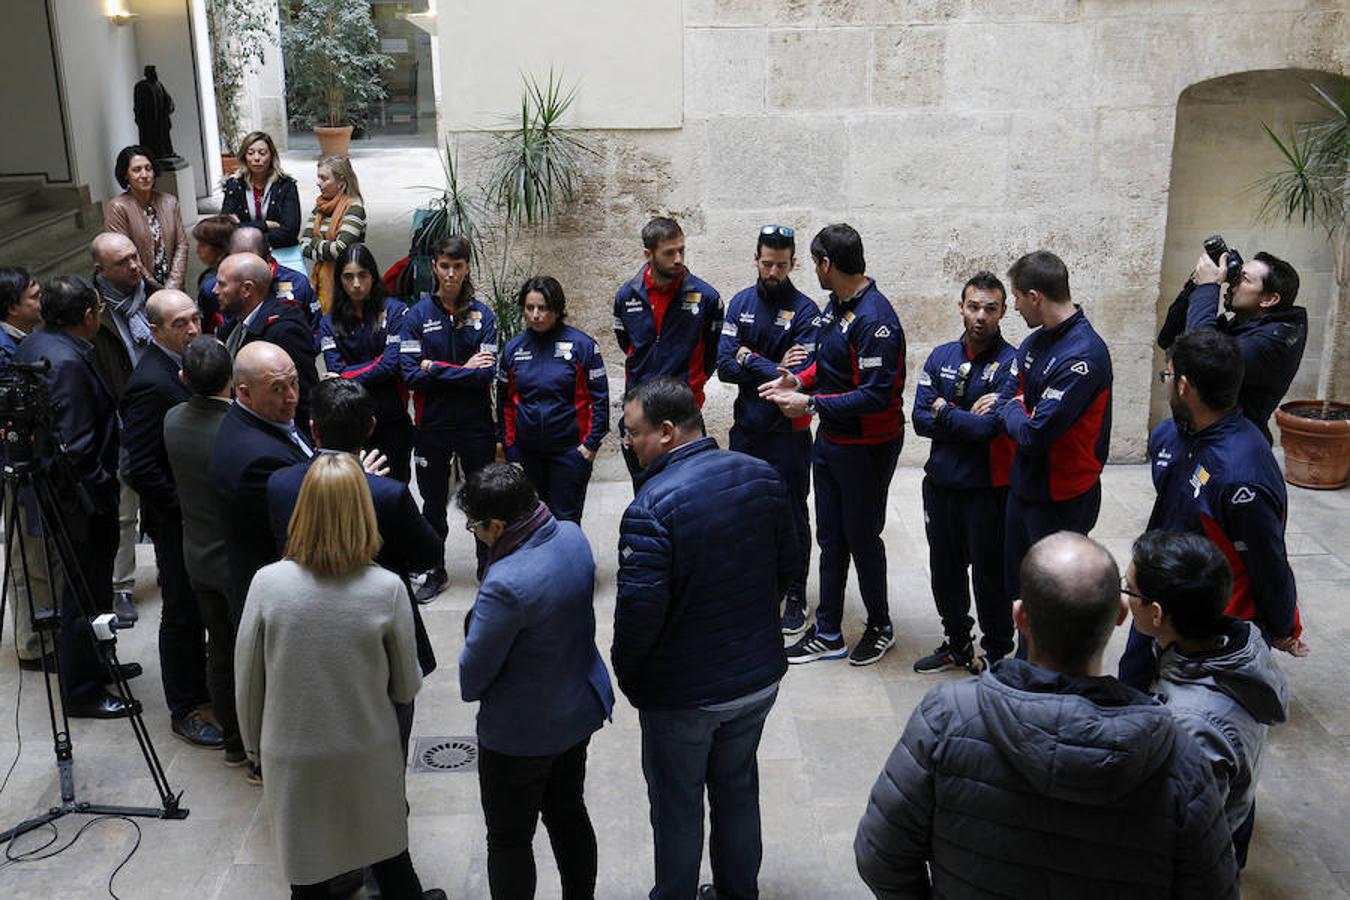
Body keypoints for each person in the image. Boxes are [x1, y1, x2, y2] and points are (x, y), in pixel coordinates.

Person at [853, 531, 1240, 899]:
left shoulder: (945, 719)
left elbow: (879, 853)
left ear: (1019, 616)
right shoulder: (1180, 758)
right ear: (1121, 614)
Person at [234, 453, 445, 900]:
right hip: (367, 752)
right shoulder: (385, 588)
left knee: (307, 881)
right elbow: (406, 686)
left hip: (292, 756)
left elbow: (248, 683)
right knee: (391, 864)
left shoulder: (267, 584)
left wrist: (255, 748)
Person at [614, 377, 790, 900]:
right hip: (757, 679)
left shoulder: (650, 508)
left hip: (685, 695)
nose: (628, 444)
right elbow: (788, 568)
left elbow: (639, 618)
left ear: (667, 432)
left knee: (677, 806)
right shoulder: (762, 476)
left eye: (633, 433)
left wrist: (630, 675)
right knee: (737, 791)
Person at [458, 464, 614, 899]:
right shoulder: (571, 535)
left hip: (520, 735)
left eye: (476, 527)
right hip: (576, 712)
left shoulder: (505, 584)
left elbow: (472, 679)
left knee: (509, 840)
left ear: (499, 525)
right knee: (568, 815)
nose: (475, 534)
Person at [1118, 328, 1305, 689]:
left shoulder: (1241, 478)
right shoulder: (1171, 435)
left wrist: (1282, 626)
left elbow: (1268, 561)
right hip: (1158, 590)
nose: (1166, 383)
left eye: (1168, 376)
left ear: (1184, 386)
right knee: (1133, 687)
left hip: (1206, 622)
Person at [759, 223, 906, 666]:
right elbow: (825, 362)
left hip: (867, 446)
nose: (813, 272)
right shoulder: (835, 307)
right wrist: (797, 379)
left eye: (815, 262)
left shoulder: (876, 320)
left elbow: (877, 395)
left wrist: (810, 402)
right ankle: (828, 631)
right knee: (830, 536)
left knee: (861, 536)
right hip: (832, 439)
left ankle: (880, 625)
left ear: (827, 264)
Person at [266, 378, 440, 750]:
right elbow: (429, 554)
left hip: (306, 621)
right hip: (377, 622)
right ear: (371, 428)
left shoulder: (280, 484)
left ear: (312, 428)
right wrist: (364, 483)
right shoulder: (386, 493)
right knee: (393, 723)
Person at [1126, 530, 1289, 869]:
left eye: (1129, 590)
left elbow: (1188, 834)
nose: (1124, 598)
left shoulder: (1193, 728)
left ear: (1156, 614)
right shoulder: (1234, 644)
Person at [14, 276, 138, 718]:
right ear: (88, 315)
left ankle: (99, 662)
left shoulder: (35, 342)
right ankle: (83, 690)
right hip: (81, 503)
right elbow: (78, 445)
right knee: (83, 598)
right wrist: (101, 488)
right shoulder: (65, 362)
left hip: (65, 496)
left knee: (91, 592)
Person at [120, 290, 222, 747]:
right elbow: (139, 466)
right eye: (180, 323)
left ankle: (203, 686)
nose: (193, 329)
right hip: (176, 522)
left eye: (195, 319)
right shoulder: (150, 382)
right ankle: (185, 708)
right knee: (180, 613)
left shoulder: (187, 364)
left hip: (199, 520)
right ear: (155, 330)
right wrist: (185, 507)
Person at [910, 272, 1018, 673]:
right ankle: (956, 641)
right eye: (973, 306)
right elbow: (919, 419)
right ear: (961, 307)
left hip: (987, 490)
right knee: (945, 569)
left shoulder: (1012, 363)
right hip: (940, 485)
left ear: (1004, 312)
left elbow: (990, 429)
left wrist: (943, 409)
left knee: (990, 576)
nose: (980, 316)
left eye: (990, 309)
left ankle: (995, 652)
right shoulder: (941, 356)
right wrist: (955, 417)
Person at [715, 224, 820, 634]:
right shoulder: (740, 303)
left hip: (788, 435)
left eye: (781, 264)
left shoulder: (808, 310)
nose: (773, 271)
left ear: (793, 263)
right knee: (747, 513)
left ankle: (795, 591)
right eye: (766, 263)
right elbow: (724, 366)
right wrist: (772, 364)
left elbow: (803, 374)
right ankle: (762, 586)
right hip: (747, 432)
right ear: (755, 260)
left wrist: (748, 355)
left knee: (792, 514)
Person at [995, 250, 1112, 615]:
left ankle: (1049, 669)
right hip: (1024, 486)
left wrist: (1012, 407)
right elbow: (1006, 390)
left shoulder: (1084, 356)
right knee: (1018, 589)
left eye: (1015, 297)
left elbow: (1033, 434)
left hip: (1063, 497)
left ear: (1035, 297)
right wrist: (1014, 405)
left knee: (1053, 600)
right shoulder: (1035, 341)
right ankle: (1022, 665)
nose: (1013, 308)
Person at [164, 337, 250, 767]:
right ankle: (253, 746)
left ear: (183, 379)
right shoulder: (239, 430)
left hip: (196, 554)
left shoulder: (173, 420)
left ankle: (232, 742)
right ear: (233, 378)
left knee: (218, 651)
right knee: (247, 658)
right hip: (235, 564)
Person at [399, 235, 498, 600]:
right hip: (432, 427)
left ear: (467, 267)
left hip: (475, 426)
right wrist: (460, 369)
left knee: (483, 498)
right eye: (444, 266)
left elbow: (484, 375)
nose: (451, 274)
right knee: (433, 503)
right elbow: (410, 374)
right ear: (434, 267)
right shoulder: (416, 317)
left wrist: (434, 368)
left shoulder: (482, 316)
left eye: (458, 266)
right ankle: (435, 569)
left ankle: (487, 564)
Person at [208, 341, 314, 630]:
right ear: (244, 392)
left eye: (294, 383)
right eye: (279, 388)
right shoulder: (258, 459)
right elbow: (310, 520)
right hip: (281, 601)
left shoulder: (269, 418)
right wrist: (352, 478)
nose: (292, 396)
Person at [1159, 248, 1307, 445]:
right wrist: (1195, 284)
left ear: (1269, 299)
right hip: (1208, 435)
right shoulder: (1245, 324)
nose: (1234, 282)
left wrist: (1209, 287)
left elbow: (1199, 357)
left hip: (1234, 444)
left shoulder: (1273, 341)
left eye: (1244, 279)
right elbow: (1168, 338)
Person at [612, 216, 722, 479]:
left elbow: (712, 354)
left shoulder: (707, 298)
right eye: (669, 252)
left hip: (685, 413)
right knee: (644, 491)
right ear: (648, 255)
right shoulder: (626, 296)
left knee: (689, 491)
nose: (678, 259)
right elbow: (626, 343)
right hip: (640, 414)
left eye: (682, 250)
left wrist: (691, 384)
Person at [496, 276, 609, 523]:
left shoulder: (583, 346)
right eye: (530, 308)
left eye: (543, 308)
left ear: (557, 309)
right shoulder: (513, 349)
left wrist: (589, 445)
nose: (536, 315)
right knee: (529, 520)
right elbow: (504, 401)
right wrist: (509, 445)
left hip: (569, 453)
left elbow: (599, 399)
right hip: (526, 453)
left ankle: (569, 563)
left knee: (565, 521)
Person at [91, 231, 155, 624]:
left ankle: (172, 568)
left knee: (170, 502)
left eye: (135, 257)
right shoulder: (90, 312)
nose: (134, 266)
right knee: (123, 513)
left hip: (159, 415)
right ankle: (121, 588)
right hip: (119, 423)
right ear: (100, 271)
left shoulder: (152, 296)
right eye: (123, 262)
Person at [0, 267, 59, 670]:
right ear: (12, 308)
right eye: (34, 297)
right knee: (29, 557)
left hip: (31, 464)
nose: (42, 302)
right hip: (15, 467)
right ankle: (33, 645)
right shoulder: (5, 351)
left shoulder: (21, 340)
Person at [319, 243, 413, 483]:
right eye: (348, 277)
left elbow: (392, 365)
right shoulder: (329, 322)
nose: (357, 284)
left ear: (373, 276)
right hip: (351, 423)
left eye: (363, 275)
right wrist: (377, 364)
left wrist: (346, 376)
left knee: (396, 489)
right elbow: (334, 369)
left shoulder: (396, 312)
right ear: (340, 280)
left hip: (392, 420)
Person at [214, 251, 319, 430]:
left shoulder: (284, 332)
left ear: (247, 289)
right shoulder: (235, 323)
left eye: (222, 284)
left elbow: (304, 400)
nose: (215, 290)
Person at [104, 144, 188, 290]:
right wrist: (155, 287)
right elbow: (124, 255)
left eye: (148, 168)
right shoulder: (117, 207)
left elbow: (182, 245)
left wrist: (173, 284)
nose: (144, 175)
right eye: (137, 170)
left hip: (173, 286)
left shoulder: (170, 202)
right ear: (125, 174)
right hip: (139, 287)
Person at [224, 223, 321, 334]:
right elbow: (224, 332)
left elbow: (316, 329)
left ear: (268, 255)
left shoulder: (297, 283)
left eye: (253, 260)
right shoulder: (225, 286)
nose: (246, 268)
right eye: (238, 261)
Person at [301, 154, 366, 314]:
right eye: (318, 177)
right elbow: (303, 245)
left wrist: (315, 242)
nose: (318, 183)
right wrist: (326, 247)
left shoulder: (354, 208)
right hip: (322, 281)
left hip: (347, 283)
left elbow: (339, 250)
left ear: (341, 182)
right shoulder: (321, 207)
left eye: (324, 178)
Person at [220, 131, 302, 255]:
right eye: (251, 153)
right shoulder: (235, 185)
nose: (256, 158)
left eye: (262, 153)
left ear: (272, 156)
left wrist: (246, 233)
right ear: (244, 157)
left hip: (282, 251)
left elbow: (290, 231)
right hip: (242, 253)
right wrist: (265, 225)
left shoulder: (286, 185)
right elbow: (226, 227)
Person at [191, 214, 236, 332]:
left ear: (220, 248)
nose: (197, 249)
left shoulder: (210, 286)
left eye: (203, 245)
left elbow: (206, 325)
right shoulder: (243, 269)